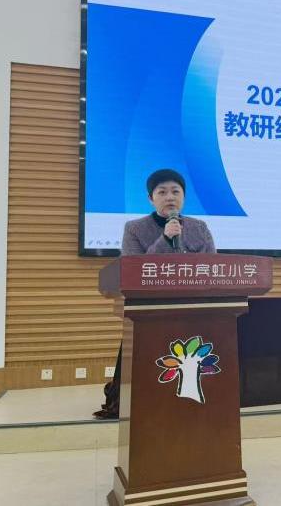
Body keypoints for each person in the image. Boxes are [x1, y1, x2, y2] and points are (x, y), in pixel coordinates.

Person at [93, 169, 216, 419]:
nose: (170, 197)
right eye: (162, 192)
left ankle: (195, 400)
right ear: (151, 199)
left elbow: (213, 267)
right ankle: (136, 401)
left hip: (192, 308)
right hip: (147, 310)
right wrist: (165, 238)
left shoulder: (199, 227)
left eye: (176, 191)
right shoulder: (134, 228)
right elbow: (132, 268)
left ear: (184, 197)